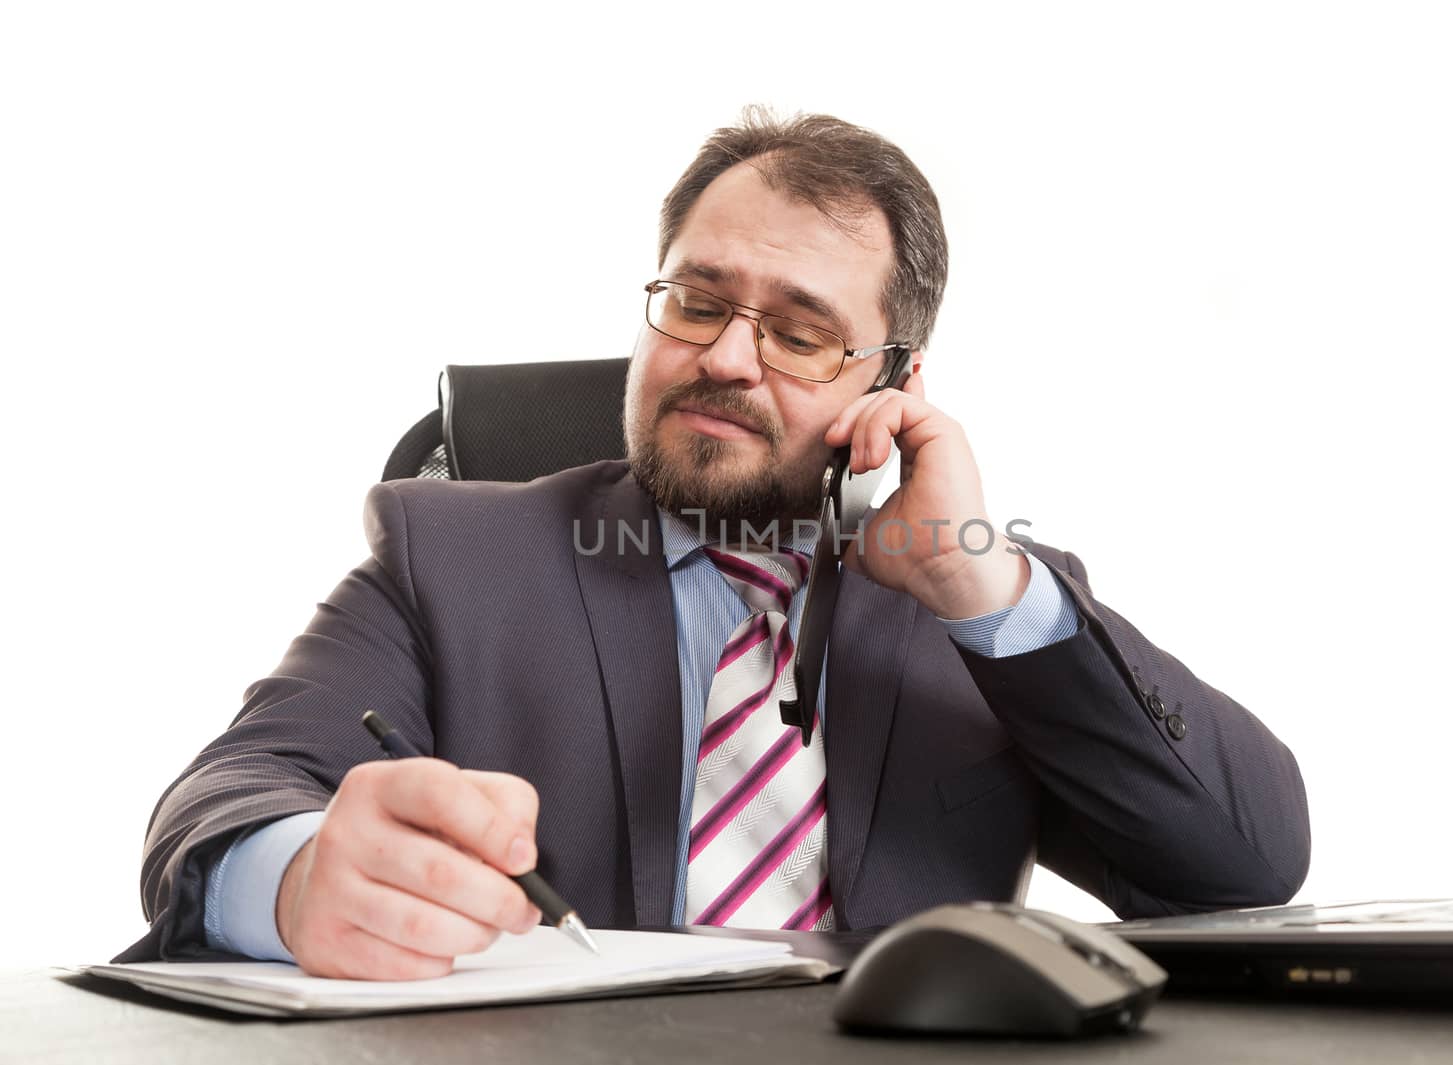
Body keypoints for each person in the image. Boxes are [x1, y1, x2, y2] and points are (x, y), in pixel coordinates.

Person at [118, 107, 1311, 979]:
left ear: (891, 383)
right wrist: (297, 875)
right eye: (698, 303)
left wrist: (978, 581)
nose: (727, 358)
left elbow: (1243, 863)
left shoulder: (983, 604)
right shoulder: (452, 559)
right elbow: (225, 796)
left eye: (799, 333)